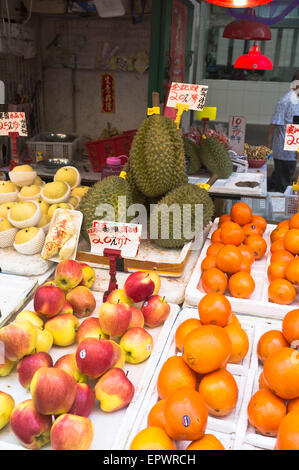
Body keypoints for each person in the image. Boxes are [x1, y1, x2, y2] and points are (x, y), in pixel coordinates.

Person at [267, 72, 299, 193]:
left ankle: (272, 193)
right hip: (284, 148)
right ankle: (277, 206)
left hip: (293, 146)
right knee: (283, 181)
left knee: (282, 177)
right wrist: (268, 146)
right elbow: (273, 125)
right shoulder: (285, 101)